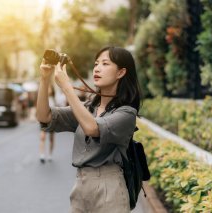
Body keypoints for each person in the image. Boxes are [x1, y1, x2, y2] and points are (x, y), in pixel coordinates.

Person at [36, 46, 142, 212]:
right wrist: (44, 79)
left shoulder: (127, 113)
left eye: (105, 64)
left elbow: (92, 128)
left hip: (110, 188)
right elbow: (44, 117)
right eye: (96, 64)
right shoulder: (87, 109)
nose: (97, 68)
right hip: (81, 186)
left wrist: (66, 87)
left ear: (120, 73)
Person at [39, 85, 56, 163]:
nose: (48, 90)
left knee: (51, 139)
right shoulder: (43, 98)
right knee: (42, 137)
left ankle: (50, 154)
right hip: (44, 120)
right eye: (47, 88)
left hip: (52, 120)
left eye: (49, 88)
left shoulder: (54, 100)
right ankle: (42, 155)